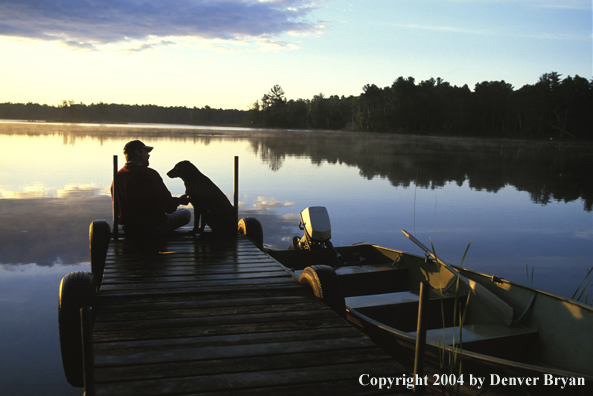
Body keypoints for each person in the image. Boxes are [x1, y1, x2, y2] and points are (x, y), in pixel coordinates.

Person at [112, 140, 191, 236]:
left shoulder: (118, 176)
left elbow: (117, 207)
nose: (148, 156)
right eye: (146, 152)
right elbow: (168, 206)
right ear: (137, 152)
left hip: (129, 229)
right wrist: (179, 201)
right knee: (186, 214)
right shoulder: (149, 174)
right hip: (153, 228)